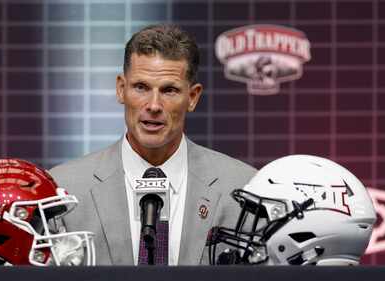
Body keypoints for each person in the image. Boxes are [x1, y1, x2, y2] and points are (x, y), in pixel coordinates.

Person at [50, 24, 256, 265]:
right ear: (121, 89)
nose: (154, 105)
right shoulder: (64, 190)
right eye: (141, 87)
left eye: (169, 90)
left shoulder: (243, 190)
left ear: (192, 97)